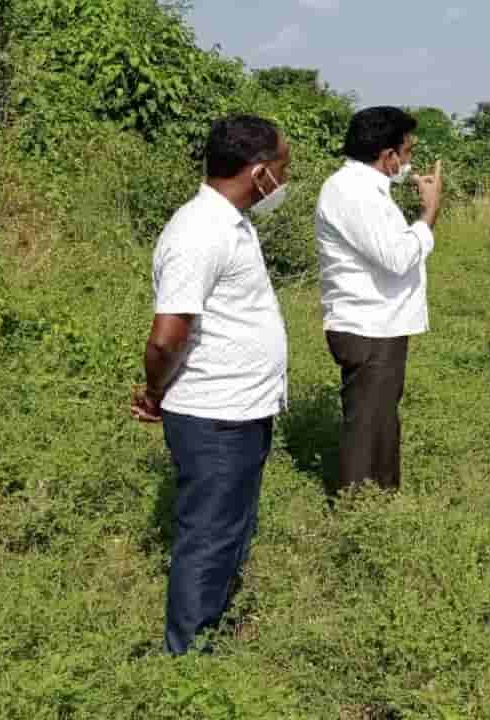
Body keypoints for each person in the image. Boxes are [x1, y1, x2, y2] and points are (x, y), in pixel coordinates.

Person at [130, 115, 291, 655]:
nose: (285, 180)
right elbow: (166, 337)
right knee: (208, 534)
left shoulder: (230, 223)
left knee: (231, 525)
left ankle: (214, 623)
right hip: (214, 414)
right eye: (284, 167)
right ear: (260, 171)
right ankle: (188, 655)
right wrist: (154, 393)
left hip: (242, 408)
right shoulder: (198, 233)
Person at [315, 106, 443, 494]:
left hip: (378, 323)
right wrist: (430, 210)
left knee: (379, 416)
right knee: (369, 420)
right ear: (388, 156)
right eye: (407, 152)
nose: (409, 161)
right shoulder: (353, 193)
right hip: (368, 325)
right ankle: (360, 505)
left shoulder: (364, 191)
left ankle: (381, 495)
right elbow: (398, 256)